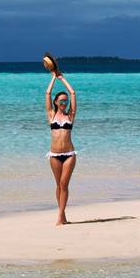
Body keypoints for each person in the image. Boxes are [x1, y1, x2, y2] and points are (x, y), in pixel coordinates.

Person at [42, 53, 77, 224]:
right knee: (58, 186)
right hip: (54, 155)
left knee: (64, 185)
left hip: (69, 154)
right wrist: (53, 78)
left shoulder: (71, 116)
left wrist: (62, 78)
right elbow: (47, 93)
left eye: (65, 102)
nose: (64, 104)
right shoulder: (51, 115)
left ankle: (60, 215)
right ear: (56, 103)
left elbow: (73, 92)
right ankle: (62, 214)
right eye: (61, 101)